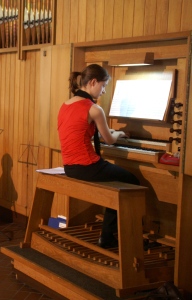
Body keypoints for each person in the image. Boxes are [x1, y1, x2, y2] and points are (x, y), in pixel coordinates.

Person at [57, 64, 140, 249]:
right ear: (93, 82)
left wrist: (109, 132)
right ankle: (109, 237)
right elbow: (109, 140)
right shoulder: (93, 108)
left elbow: (85, 131)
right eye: (103, 86)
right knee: (132, 183)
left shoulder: (65, 104)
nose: (103, 91)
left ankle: (109, 233)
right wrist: (119, 133)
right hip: (88, 166)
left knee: (118, 183)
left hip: (70, 166)